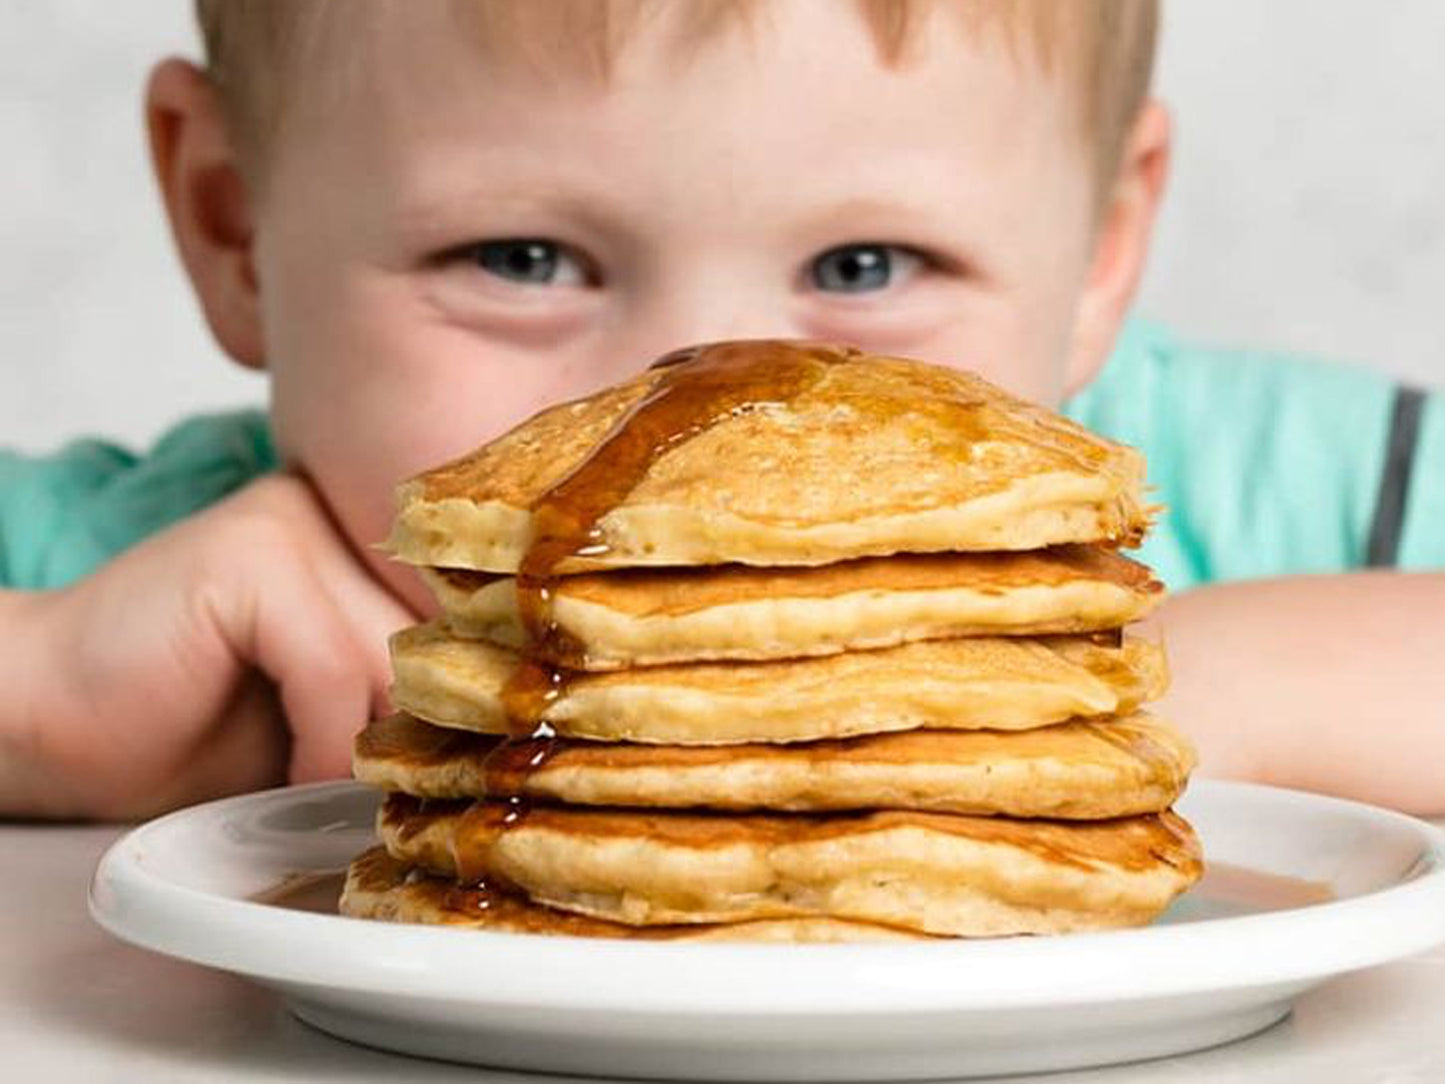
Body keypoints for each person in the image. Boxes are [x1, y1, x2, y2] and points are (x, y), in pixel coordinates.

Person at [1, 0, 1440, 820]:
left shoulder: (1288, 491)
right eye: (521, 259)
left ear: (1100, 248)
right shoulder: (155, 586)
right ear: (234, 224)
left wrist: (1109, 693)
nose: (702, 426)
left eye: (861, 268)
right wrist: (49, 690)